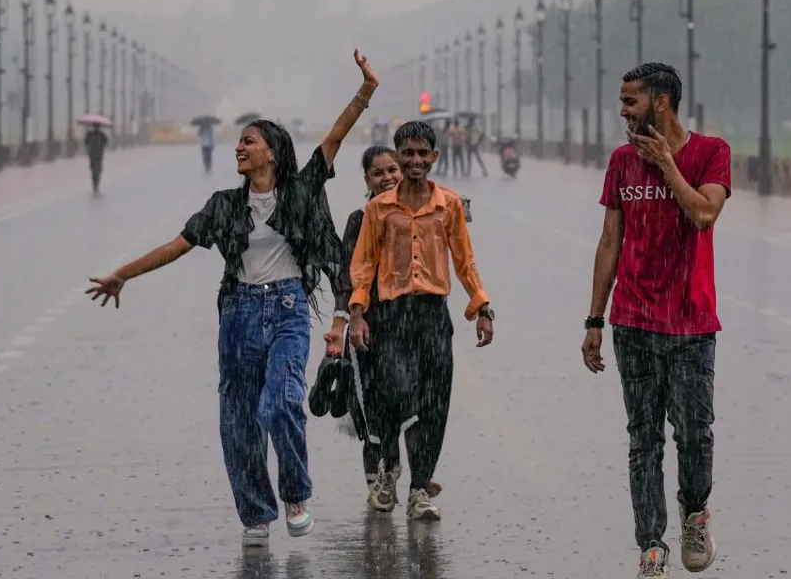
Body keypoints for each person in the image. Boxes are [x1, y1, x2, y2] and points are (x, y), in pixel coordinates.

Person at [86, 49, 379, 547]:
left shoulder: (303, 190)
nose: (239, 148)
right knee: (239, 419)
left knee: (281, 403)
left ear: (272, 152)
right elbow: (175, 247)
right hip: (239, 316)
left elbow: (334, 137)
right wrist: (124, 275)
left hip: (287, 311)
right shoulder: (223, 205)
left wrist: (366, 90)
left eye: (249, 141)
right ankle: (255, 515)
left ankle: (295, 493)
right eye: (239, 142)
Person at [580, 62, 730, 577]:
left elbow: (704, 214)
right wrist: (594, 319)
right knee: (643, 435)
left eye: (630, 102)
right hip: (634, 323)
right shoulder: (622, 162)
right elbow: (609, 241)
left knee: (693, 432)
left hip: (691, 324)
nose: (622, 112)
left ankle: (694, 512)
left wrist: (668, 165)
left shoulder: (711, 153)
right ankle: (650, 543)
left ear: (661, 102)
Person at [348, 120, 495, 522]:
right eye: (406, 153)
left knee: (434, 405)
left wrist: (481, 307)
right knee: (396, 396)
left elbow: (465, 260)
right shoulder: (378, 209)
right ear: (397, 156)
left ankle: (419, 490)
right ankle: (388, 468)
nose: (414, 160)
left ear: (434, 156)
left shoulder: (448, 205)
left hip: (432, 315)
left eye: (421, 153)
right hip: (392, 317)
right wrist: (358, 313)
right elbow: (363, 264)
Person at [330, 145, 443, 511]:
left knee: (415, 403)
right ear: (366, 180)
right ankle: (383, 474)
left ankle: (417, 482)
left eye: (392, 169)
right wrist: (350, 321)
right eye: (378, 173)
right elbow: (347, 277)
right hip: (371, 328)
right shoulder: (359, 219)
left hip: (411, 325)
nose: (388, 178)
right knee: (378, 408)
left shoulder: (419, 213)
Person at [84, 125, 109, 194]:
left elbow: (85, 142)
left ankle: (95, 184)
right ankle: (96, 184)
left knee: (93, 170)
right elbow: (106, 142)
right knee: (98, 170)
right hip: (98, 155)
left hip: (92, 155)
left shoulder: (91, 134)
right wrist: (102, 146)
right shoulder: (101, 134)